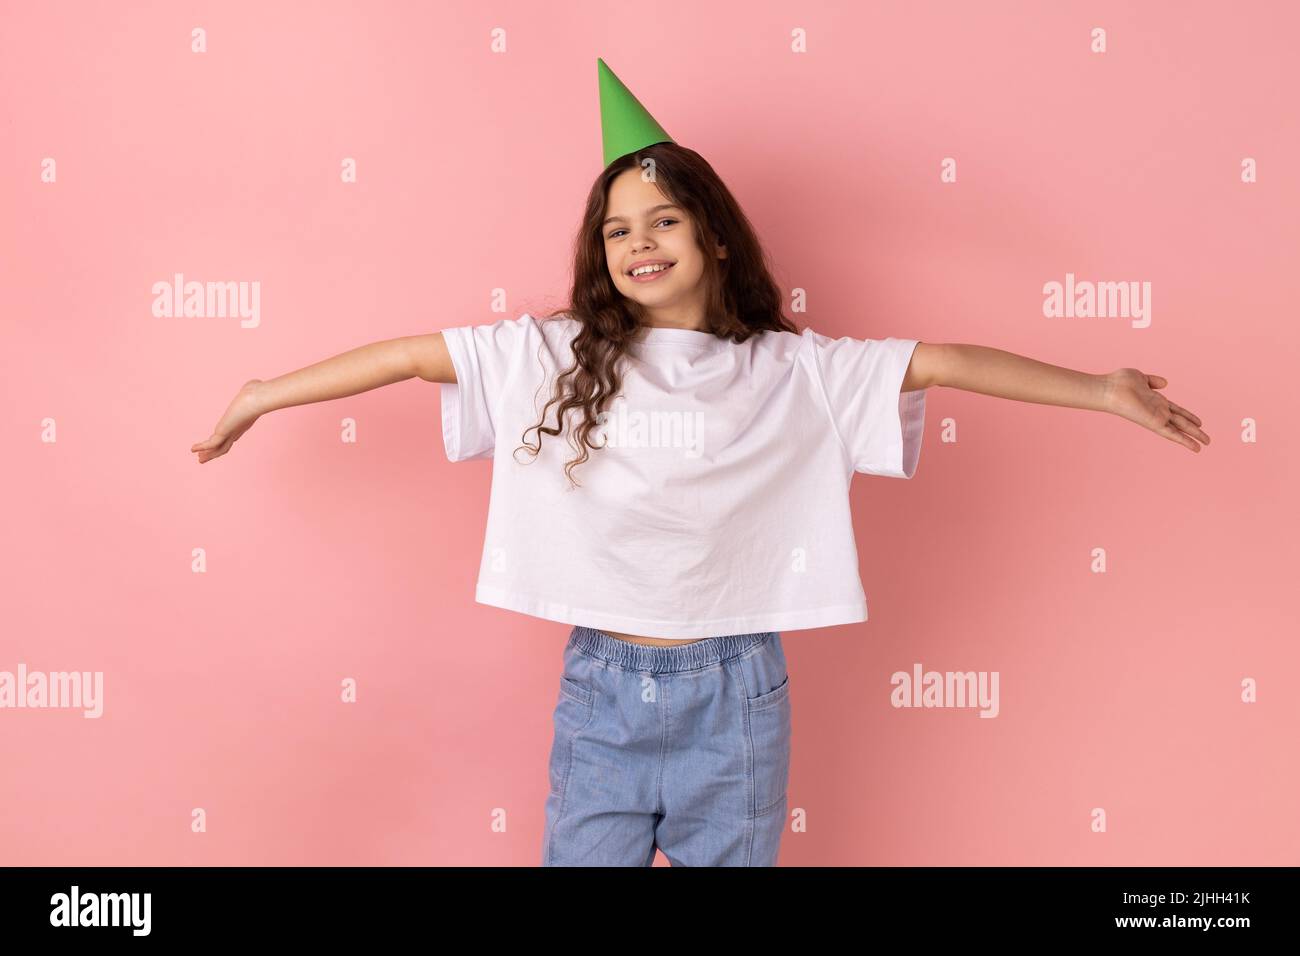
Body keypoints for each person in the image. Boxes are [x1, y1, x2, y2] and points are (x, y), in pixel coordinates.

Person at [190, 59, 1209, 867]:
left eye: (663, 220)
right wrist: (264, 392)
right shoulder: (551, 353)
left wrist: (1099, 387)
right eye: (617, 229)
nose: (639, 243)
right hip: (603, 683)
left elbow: (941, 359)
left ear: (714, 235)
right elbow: (413, 354)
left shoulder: (795, 369)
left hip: (737, 688)